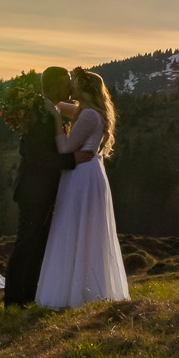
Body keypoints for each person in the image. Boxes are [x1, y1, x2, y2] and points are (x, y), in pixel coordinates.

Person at [33, 67, 130, 310]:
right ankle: (79, 288)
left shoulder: (88, 116)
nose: (71, 87)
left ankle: (77, 292)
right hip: (87, 174)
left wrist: (55, 121)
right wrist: (45, 103)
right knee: (80, 228)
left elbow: (65, 148)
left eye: (74, 82)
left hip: (81, 176)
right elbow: (55, 104)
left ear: (84, 89)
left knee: (75, 227)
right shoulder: (87, 111)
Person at [4, 65, 73, 307]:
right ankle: (13, 300)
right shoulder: (39, 113)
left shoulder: (49, 110)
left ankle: (29, 296)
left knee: (38, 245)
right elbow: (36, 154)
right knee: (26, 244)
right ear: (55, 87)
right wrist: (72, 161)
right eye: (67, 83)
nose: (70, 87)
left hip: (42, 190)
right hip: (33, 190)